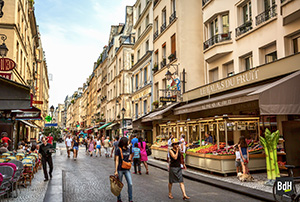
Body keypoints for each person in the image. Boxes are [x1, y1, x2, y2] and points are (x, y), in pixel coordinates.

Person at [114, 137, 133, 202]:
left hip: (127, 169)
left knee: (130, 184)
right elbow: (116, 160)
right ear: (124, 142)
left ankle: (130, 199)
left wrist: (130, 161)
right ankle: (119, 199)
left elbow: (130, 157)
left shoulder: (128, 149)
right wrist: (116, 170)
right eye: (127, 141)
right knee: (119, 185)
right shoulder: (118, 149)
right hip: (120, 169)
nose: (129, 142)